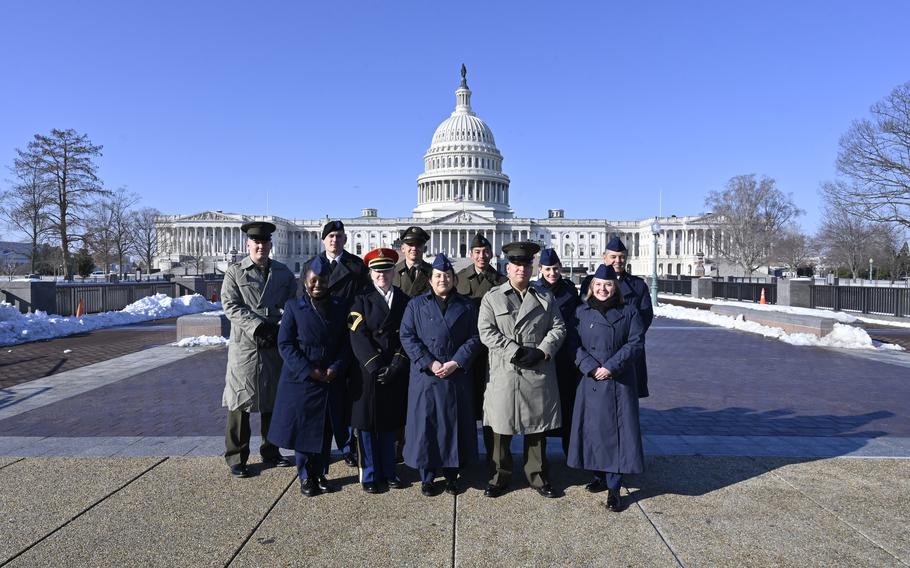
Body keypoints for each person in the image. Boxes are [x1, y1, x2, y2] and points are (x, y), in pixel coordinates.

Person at [478, 241, 566, 499]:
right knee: (500, 428)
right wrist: (513, 351)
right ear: (507, 268)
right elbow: (486, 331)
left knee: (536, 428)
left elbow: (559, 328)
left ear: (532, 268)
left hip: (536, 369)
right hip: (506, 369)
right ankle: (498, 477)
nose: (521, 269)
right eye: (516, 265)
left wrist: (542, 350)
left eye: (526, 265)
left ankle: (538, 476)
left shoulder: (545, 297)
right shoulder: (492, 297)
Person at [400, 254, 482, 497]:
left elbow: (476, 337)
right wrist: (429, 362)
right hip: (427, 375)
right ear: (430, 279)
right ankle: (426, 476)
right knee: (427, 426)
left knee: (453, 426)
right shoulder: (416, 305)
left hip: (455, 374)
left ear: (454, 278)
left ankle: (451, 474)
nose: (442, 279)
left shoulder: (467, 305)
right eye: (438, 276)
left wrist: (457, 361)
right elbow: (407, 336)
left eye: (447, 276)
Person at [269, 257, 351, 496]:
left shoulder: (339, 305)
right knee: (305, 431)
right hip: (303, 379)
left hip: (329, 377)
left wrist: (335, 367)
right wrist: (308, 370)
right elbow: (285, 344)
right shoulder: (294, 307)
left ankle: (321, 472)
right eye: (313, 280)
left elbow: (345, 344)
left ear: (328, 282)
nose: (318, 285)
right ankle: (305, 475)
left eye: (322, 280)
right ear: (305, 282)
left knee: (325, 430)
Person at [221, 221, 297, 478]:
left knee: (272, 400)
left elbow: (293, 304)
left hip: (273, 342)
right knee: (240, 402)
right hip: (247, 344)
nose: (261, 246)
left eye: (265, 242)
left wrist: (281, 328)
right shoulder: (235, 272)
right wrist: (257, 327)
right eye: (256, 242)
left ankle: (271, 449)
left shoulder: (283, 272)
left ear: (270, 245)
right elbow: (230, 305)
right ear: (248, 244)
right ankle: (236, 455)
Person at [568, 263, 645, 512]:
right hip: (590, 379)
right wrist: (589, 366)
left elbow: (635, 343)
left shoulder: (630, 312)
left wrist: (611, 366)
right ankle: (598, 475)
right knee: (593, 431)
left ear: (616, 287)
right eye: (598, 285)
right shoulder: (581, 312)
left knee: (617, 435)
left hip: (617, 381)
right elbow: (572, 343)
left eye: (608, 285)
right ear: (592, 287)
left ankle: (614, 487)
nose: (603, 289)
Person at [302, 219, 370, 467]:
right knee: (320, 397)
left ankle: (347, 445)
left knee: (349, 396)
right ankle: (318, 448)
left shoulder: (356, 266)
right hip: (320, 340)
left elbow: (364, 299)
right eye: (330, 236)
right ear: (324, 240)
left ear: (344, 240)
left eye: (339, 236)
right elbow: (303, 303)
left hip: (348, 336)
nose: (334, 240)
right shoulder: (312, 265)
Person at [348, 248, 410, 493]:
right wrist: (375, 364)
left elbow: (408, 335)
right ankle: (370, 474)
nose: (381, 274)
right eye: (376, 270)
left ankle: (389, 470)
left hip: (394, 369)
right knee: (366, 425)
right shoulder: (361, 299)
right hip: (368, 371)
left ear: (394, 271)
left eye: (386, 270)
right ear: (370, 273)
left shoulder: (404, 300)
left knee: (389, 424)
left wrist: (397, 362)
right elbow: (357, 334)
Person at [455, 233, 506, 468]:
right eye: (477, 252)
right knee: (464, 404)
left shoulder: (501, 280)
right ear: (470, 254)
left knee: (491, 408)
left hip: (490, 353)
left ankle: (492, 456)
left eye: (485, 252)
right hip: (465, 351)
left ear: (492, 253)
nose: (481, 256)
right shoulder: (458, 278)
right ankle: (463, 454)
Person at [580, 237, 654, 398]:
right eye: (613, 257)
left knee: (626, 396)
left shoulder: (638, 285)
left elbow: (646, 315)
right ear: (604, 257)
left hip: (625, 350)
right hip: (597, 349)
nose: (618, 261)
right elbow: (583, 315)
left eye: (621, 257)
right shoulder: (589, 283)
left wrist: (626, 337)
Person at [531, 248, 582, 457]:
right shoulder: (533, 290)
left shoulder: (570, 290)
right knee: (541, 409)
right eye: (548, 269)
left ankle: (569, 453)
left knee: (568, 406)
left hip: (566, 357)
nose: (552, 273)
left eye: (555, 268)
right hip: (543, 354)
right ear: (541, 269)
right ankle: (539, 458)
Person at [393, 226, 433, 297]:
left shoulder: (432, 272)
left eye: (418, 244)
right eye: (410, 244)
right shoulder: (393, 272)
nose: (414, 248)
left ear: (425, 249)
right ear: (402, 248)